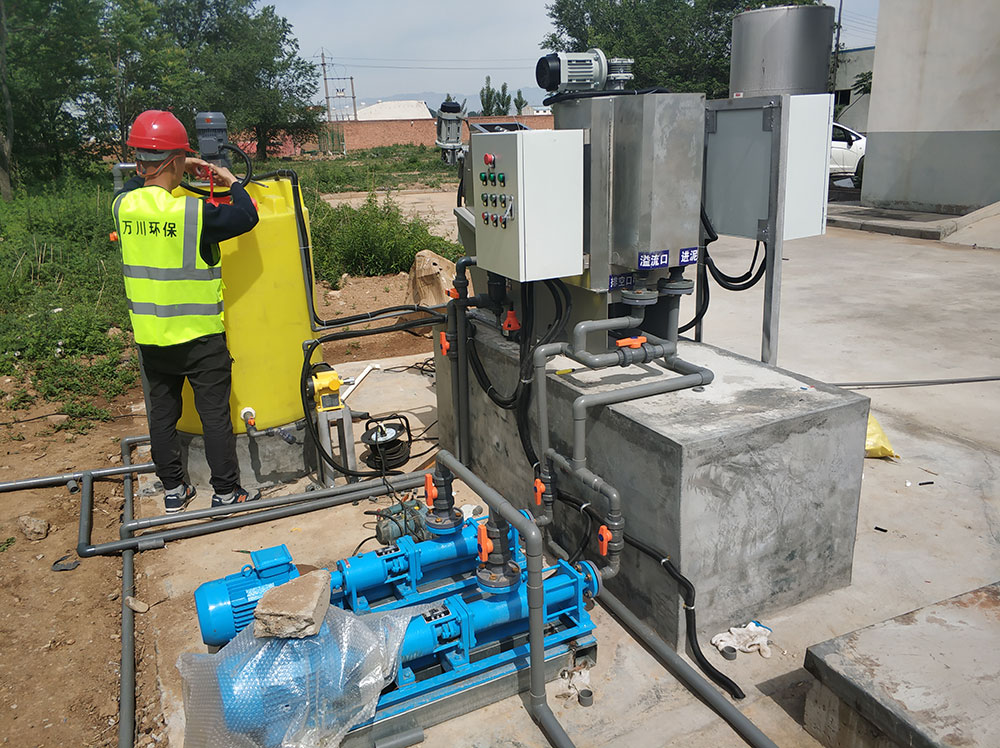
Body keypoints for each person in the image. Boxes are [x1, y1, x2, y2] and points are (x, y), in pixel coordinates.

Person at [112, 109, 261, 512]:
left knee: (162, 414)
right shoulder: (191, 214)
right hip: (199, 336)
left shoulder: (123, 206)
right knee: (214, 415)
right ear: (176, 160)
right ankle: (226, 492)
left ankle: (174, 491)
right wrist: (231, 181)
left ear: (139, 161)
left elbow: (136, 185)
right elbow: (247, 216)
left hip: (152, 337)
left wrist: (176, 163)